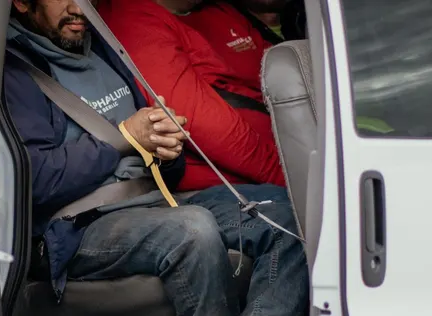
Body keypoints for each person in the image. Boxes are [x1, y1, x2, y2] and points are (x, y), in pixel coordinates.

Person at [7, 0, 309, 316]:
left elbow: (158, 163)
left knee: (284, 213)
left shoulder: (103, 52)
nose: (77, 7)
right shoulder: (18, 74)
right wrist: (125, 138)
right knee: (192, 230)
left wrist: (165, 148)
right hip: (77, 224)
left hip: (151, 201)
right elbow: (36, 179)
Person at [99, 0, 292, 191]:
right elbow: (200, 122)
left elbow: (282, 70)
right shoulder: (133, 18)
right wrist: (289, 174)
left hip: (289, 142)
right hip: (237, 183)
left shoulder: (221, 9)